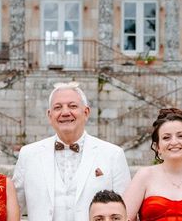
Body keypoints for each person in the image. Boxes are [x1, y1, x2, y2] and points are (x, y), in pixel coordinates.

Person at [13, 81, 131, 221]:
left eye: (72, 106)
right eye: (58, 107)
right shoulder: (28, 155)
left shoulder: (113, 154)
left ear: (86, 112)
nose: (65, 112)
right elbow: (14, 208)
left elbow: (125, 210)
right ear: (50, 115)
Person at [123, 108, 182, 221]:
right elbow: (122, 217)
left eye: (181, 136)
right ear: (158, 147)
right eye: (166, 137)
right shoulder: (144, 176)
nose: (174, 142)